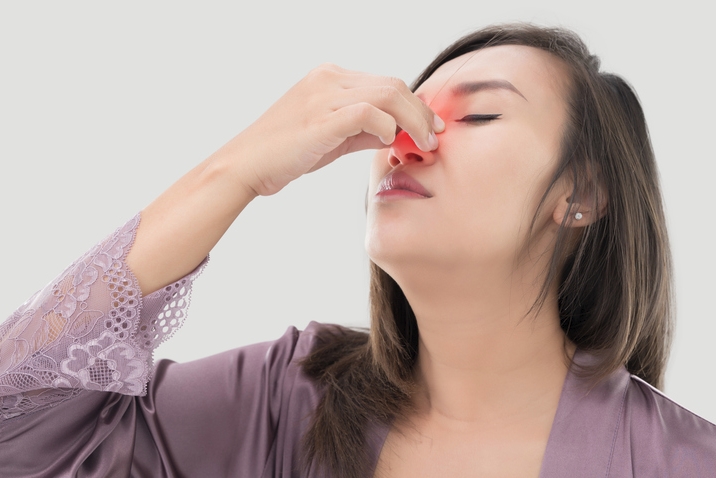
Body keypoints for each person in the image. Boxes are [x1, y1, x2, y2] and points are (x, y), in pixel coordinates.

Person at [0, 23, 714, 477]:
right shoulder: (285, 400)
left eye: (478, 115)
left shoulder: (683, 461)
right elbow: (18, 425)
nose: (404, 143)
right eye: (403, 115)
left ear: (581, 193)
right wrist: (237, 170)